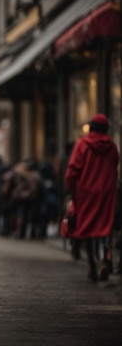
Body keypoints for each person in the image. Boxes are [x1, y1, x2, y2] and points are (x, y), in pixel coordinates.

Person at [65, 114, 119, 282]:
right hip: (106, 192)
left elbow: (73, 169)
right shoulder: (112, 146)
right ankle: (104, 260)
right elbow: (115, 165)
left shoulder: (82, 144)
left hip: (86, 192)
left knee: (87, 227)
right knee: (105, 226)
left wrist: (71, 189)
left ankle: (92, 264)